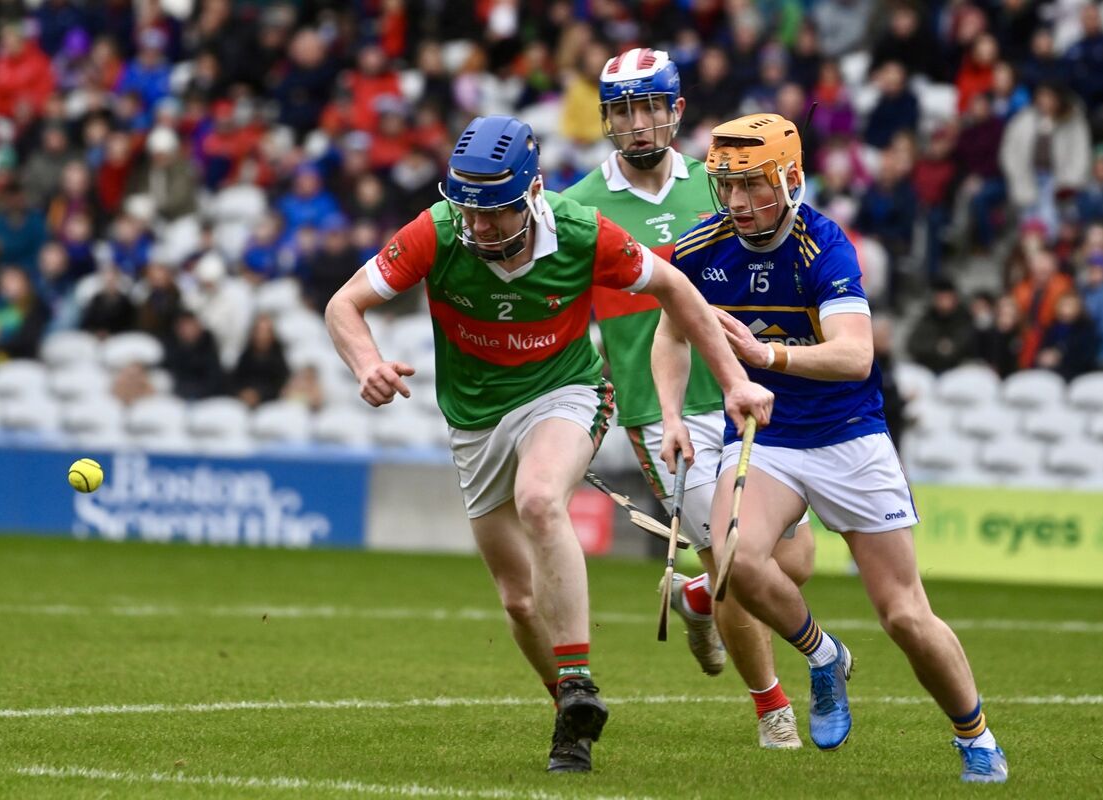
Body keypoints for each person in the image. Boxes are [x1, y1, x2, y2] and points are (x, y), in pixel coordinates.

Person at [326, 114, 773, 774]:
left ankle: (581, 678)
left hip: (565, 391)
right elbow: (344, 304)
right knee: (517, 599)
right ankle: (569, 704)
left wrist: (734, 379)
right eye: (468, 211)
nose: (479, 228)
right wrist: (367, 363)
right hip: (474, 416)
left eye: (497, 214)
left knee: (541, 499)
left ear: (533, 191)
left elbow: (675, 287)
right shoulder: (438, 230)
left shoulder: (581, 232)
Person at [653, 113, 1008, 783]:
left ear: (789, 179)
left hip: (850, 438)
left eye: (752, 186)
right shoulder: (701, 249)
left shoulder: (824, 245)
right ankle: (822, 658)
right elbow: (671, 336)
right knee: (732, 557)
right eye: (726, 187)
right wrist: (672, 414)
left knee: (905, 614)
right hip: (770, 438)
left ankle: (976, 734)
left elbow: (855, 356)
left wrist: (767, 355)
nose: (736, 203)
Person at [560, 47, 813, 750]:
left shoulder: (720, 185)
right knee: (739, 559)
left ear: (676, 112)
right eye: (622, 112)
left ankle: (698, 596)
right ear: (607, 122)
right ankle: (773, 708)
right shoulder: (579, 208)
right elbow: (556, 313)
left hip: (745, 396)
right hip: (660, 411)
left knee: (792, 559)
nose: (638, 125)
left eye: (650, 108)